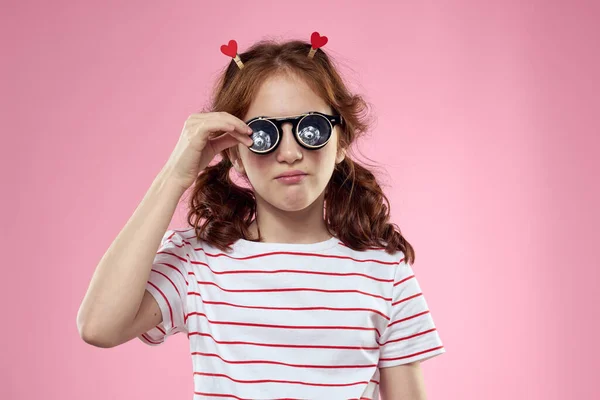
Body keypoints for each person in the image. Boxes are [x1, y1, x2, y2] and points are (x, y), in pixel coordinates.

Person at [77, 32, 445, 400]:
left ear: (341, 143)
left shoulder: (385, 270)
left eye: (311, 129)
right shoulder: (198, 263)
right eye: (264, 134)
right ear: (235, 152)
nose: (289, 152)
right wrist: (175, 175)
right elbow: (99, 327)